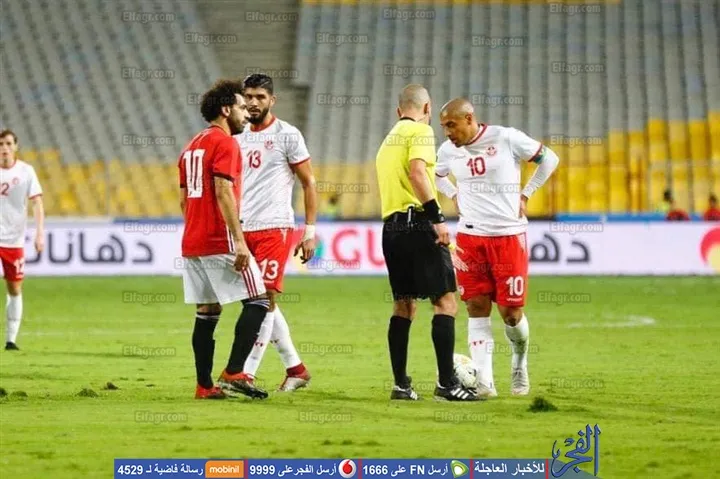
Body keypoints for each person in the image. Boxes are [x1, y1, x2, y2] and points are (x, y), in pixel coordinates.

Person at [435, 98, 559, 397]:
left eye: (451, 125)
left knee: (511, 314)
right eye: (443, 127)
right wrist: (454, 194)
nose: (447, 132)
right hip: (469, 238)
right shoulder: (447, 150)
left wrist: (526, 194)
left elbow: (550, 159)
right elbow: (435, 176)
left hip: (508, 236)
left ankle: (519, 362)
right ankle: (484, 383)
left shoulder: (505, 137)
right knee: (476, 307)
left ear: (469, 118)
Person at [375, 85, 479, 402]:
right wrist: (437, 219)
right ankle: (447, 384)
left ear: (398, 111)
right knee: (446, 302)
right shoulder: (420, 131)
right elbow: (418, 173)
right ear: (427, 108)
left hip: (391, 229)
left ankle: (401, 385)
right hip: (418, 224)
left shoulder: (388, 140)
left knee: (404, 305)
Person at [178, 79, 270, 400]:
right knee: (259, 300)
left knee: (207, 311)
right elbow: (223, 191)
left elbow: (183, 200)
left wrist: (196, 228)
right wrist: (239, 240)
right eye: (242, 107)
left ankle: (204, 386)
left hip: (193, 241)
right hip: (219, 239)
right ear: (226, 110)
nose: (247, 113)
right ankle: (234, 372)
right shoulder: (225, 143)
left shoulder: (191, 145)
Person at [234, 74, 316, 391]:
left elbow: (309, 183)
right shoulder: (237, 136)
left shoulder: (287, 135)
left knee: (263, 299)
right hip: (244, 230)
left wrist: (309, 232)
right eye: (248, 97)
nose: (253, 102)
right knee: (256, 303)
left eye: (260, 97)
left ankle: (246, 373)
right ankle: (296, 369)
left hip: (275, 227)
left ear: (272, 100)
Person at [0, 129, 44, 351]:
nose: (4, 148)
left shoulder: (26, 171)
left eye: (8, 143)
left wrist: (39, 233)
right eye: (1, 144)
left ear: (15, 146)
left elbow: (37, 203)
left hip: (14, 241)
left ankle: (11, 340)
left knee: (14, 289)